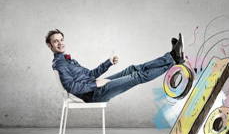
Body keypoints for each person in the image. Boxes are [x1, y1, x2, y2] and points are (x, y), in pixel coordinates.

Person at [46, 29, 184, 102]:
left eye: (61, 40)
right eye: (56, 41)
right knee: (136, 76)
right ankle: (173, 60)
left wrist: (108, 63)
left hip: (95, 87)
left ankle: (172, 56)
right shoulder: (59, 63)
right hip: (94, 95)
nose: (60, 43)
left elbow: (89, 75)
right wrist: (96, 85)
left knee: (132, 69)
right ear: (49, 45)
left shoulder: (67, 60)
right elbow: (71, 87)